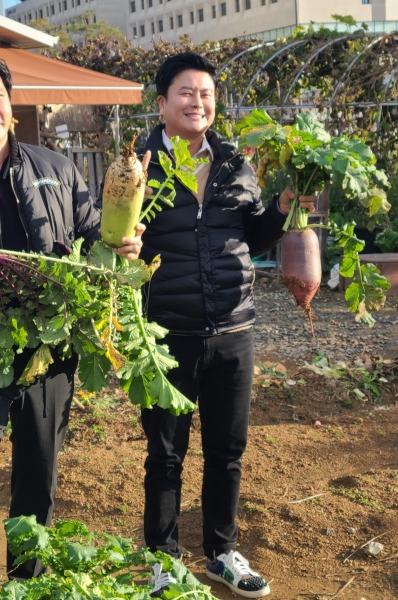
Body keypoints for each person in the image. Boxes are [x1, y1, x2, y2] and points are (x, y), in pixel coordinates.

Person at [0, 49, 145, 585]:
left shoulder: (57, 169)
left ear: (10, 104)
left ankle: (25, 585)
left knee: (38, 475)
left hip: (51, 346)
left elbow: (90, 239)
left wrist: (118, 250)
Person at [138, 53, 315, 599]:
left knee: (227, 449)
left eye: (207, 93)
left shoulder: (236, 163)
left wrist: (282, 209)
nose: (198, 102)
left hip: (235, 330)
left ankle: (220, 552)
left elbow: (254, 238)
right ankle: (163, 558)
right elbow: (117, 239)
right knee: (166, 454)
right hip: (167, 335)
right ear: (162, 102)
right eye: (186, 92)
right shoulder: (139, 165)